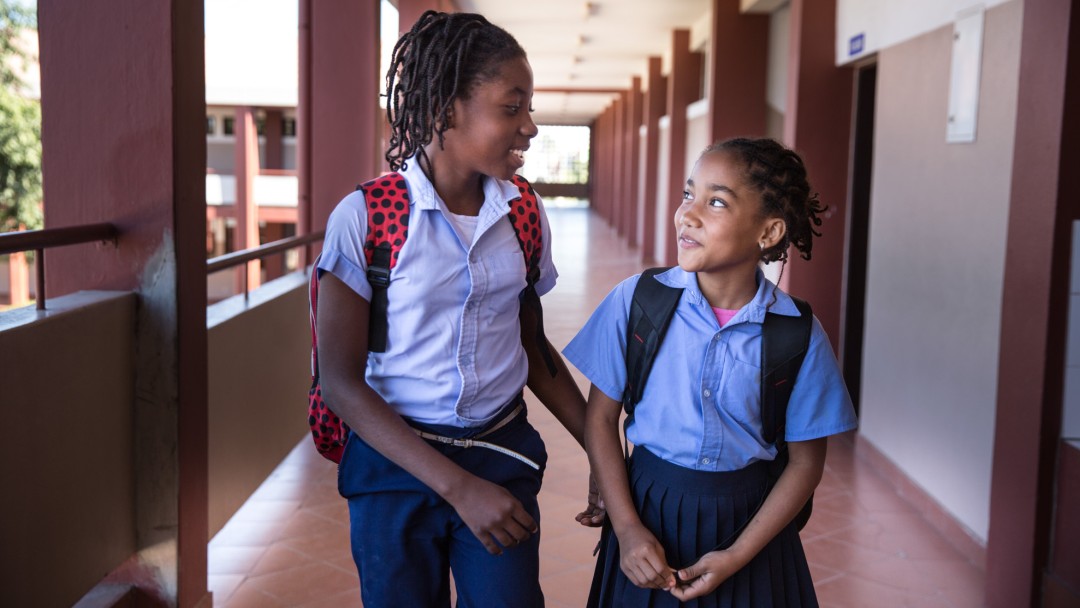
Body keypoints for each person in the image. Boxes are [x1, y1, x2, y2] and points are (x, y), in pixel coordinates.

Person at [315, 11, 602, 608]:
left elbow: (532, 346)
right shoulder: (368, 218)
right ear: (447, 109)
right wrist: (458, 489)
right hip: (394, 467)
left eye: (529, 108)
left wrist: (600, 451)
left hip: (499, 454)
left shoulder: (522, 213)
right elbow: (340, 381)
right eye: (511, 107)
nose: (530, 127)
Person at [564, 137, 859, 607]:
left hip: (750, 526)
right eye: (688, 194)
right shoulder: (638, 301)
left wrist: (739, 554)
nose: (688, 213)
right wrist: (627, 529)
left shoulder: (796, 333)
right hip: (648, 510)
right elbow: (600, 419)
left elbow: (806, 463)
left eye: (715, 201)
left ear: (768, 232)